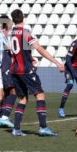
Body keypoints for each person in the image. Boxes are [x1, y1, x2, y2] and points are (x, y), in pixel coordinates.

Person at [7, 8, 64, 136]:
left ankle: (16, 129)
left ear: (12, 20)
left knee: (22, 98)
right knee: (40, 95)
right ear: (23, 17)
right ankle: (43, 127)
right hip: (25, 70)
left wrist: (30, 58)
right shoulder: (25, 32)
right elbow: (39, 48)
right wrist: (57, 62)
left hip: (14, 70)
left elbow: (15, 50)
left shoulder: (9, 33)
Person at [58, 28, 77, 118]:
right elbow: (67, 58)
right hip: (69, 68)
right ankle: (61, 108)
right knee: (70, 84)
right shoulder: (76, 43)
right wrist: (73, 71)